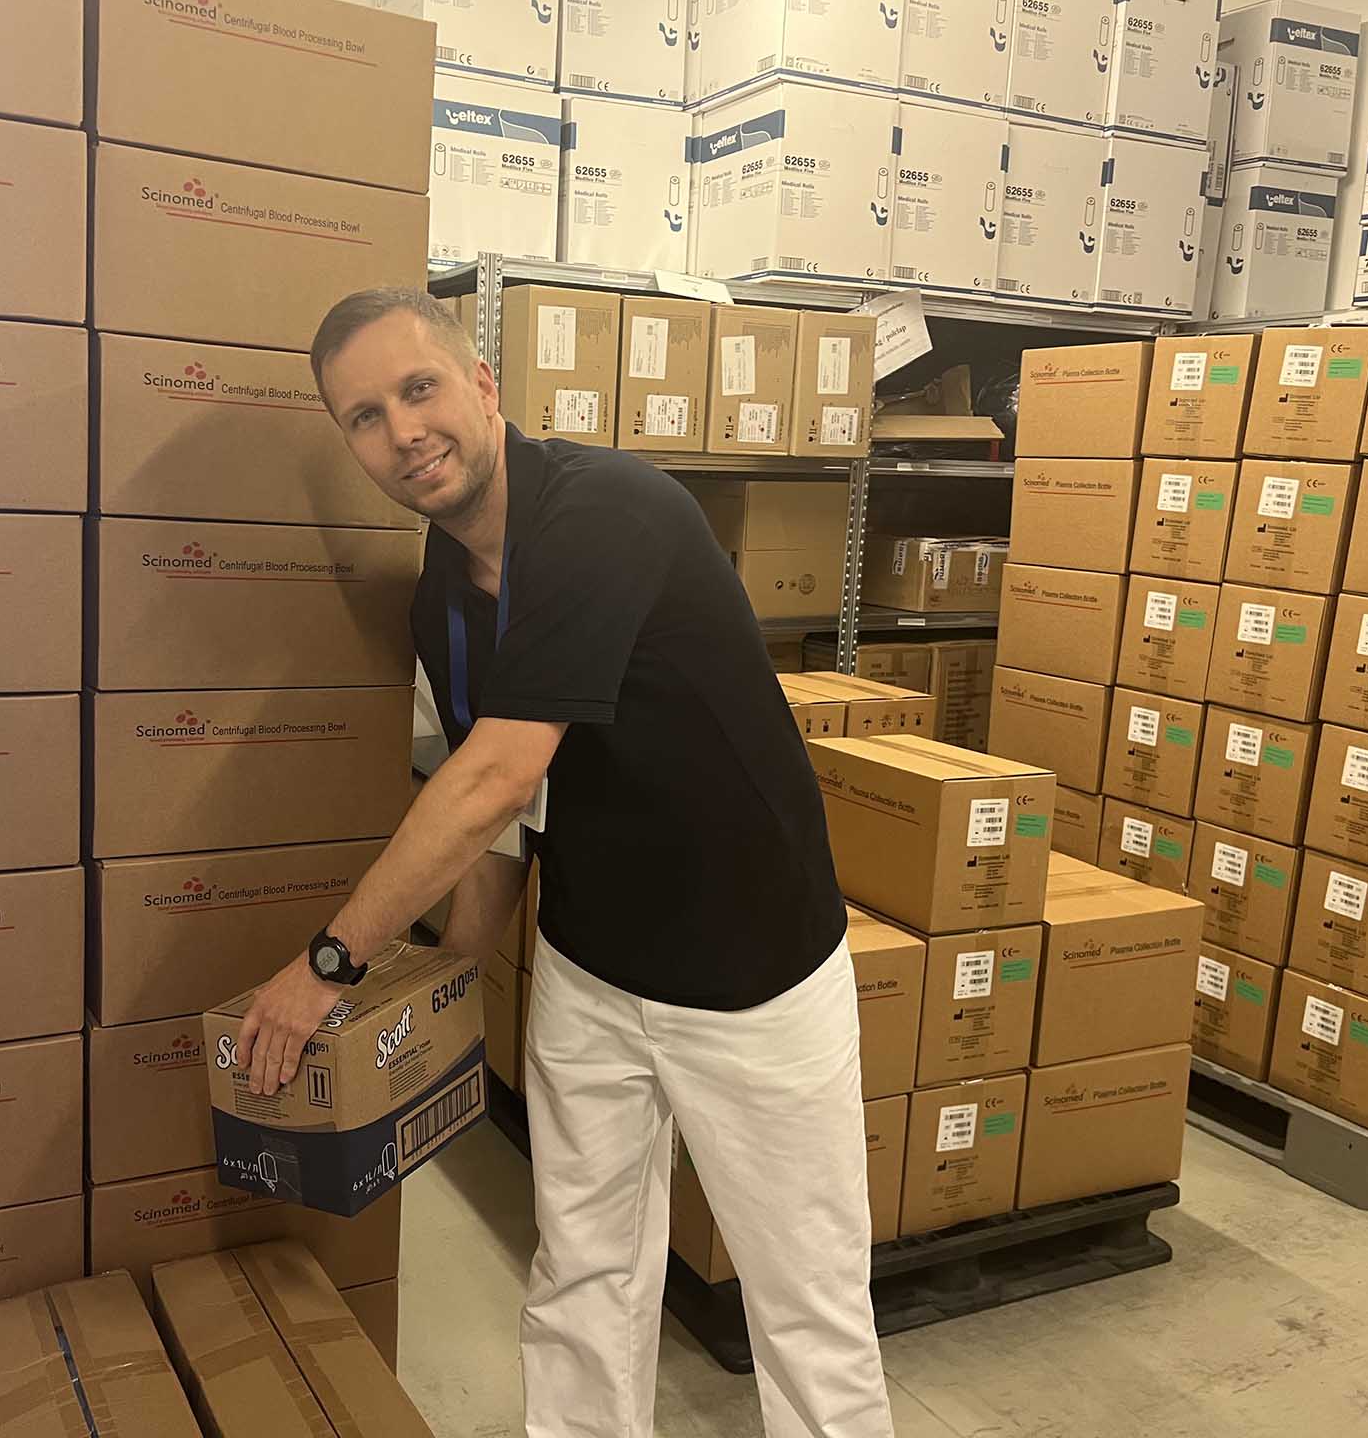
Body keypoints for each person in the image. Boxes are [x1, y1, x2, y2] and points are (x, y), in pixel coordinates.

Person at [234, 287, 894, 1438]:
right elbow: (504, 812)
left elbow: (496, 772)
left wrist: (331, 963)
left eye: (419, 389)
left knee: (807, 1306)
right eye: (365, 417)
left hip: (754, 978)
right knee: (583, 1275)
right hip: (593, 969)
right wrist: (459, 963)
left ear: (484, 384)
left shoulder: (607, 512)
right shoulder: (445, 595)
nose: (402, 432)